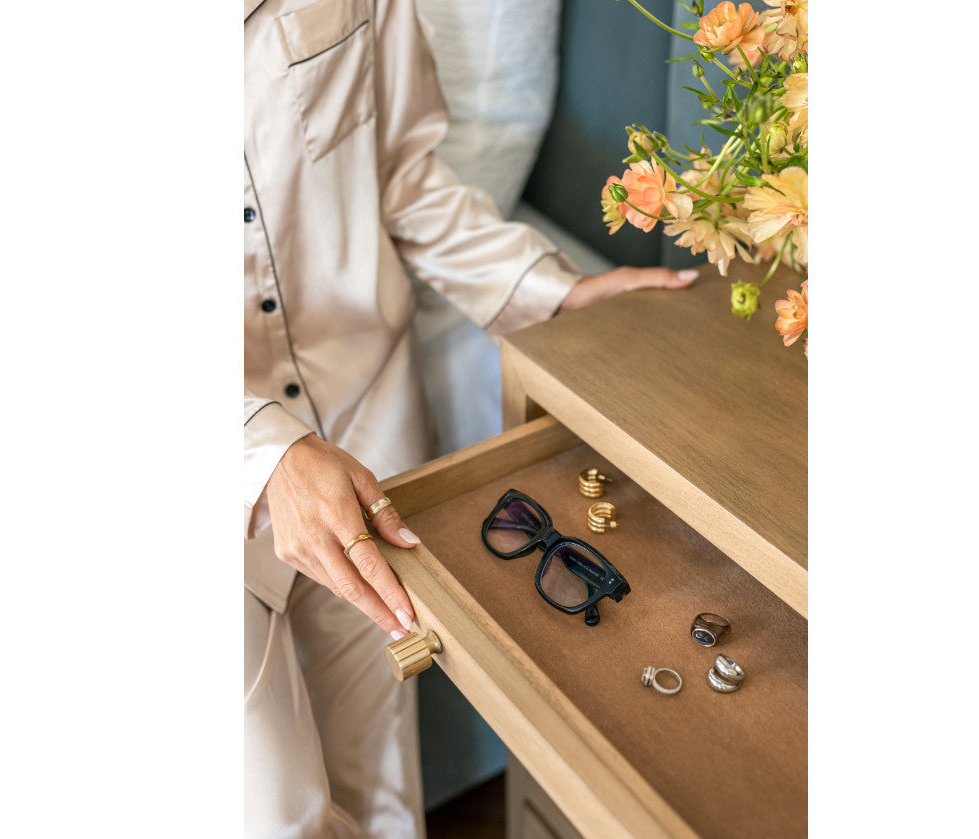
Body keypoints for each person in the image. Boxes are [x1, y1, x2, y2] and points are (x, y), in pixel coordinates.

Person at [243, 1, 697, 836]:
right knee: (269, 812)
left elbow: (405, 179)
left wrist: (555, 293)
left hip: (364, 424)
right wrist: (258, 451)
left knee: (381, 767)